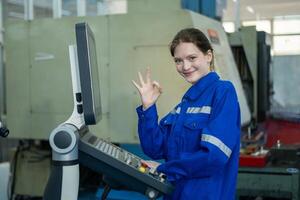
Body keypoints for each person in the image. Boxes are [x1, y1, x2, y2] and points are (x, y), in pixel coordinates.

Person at [132, 28, 241, 200]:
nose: (185, 67)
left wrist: (165, 169)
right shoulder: (185, 104)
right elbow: (154, 148)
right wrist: (148, 107)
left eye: (192, 58)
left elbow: (214, 157)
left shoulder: (223, 92)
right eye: (178, 61)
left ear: (208, 56)